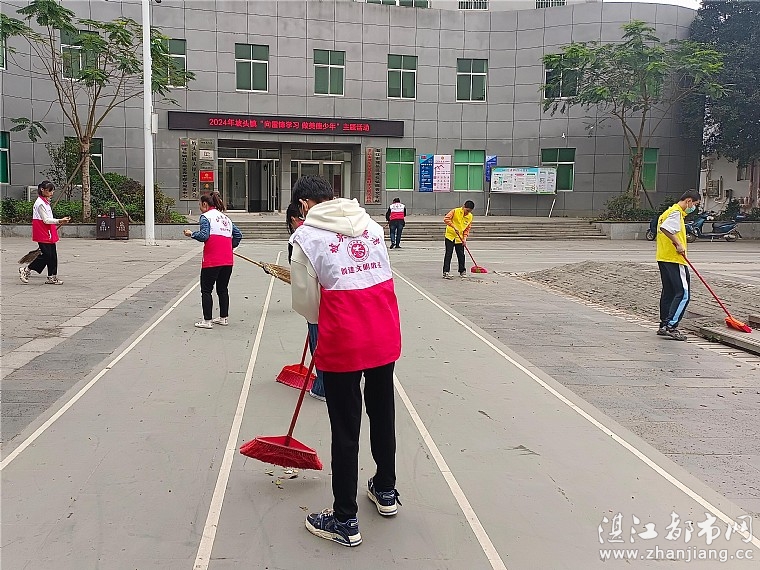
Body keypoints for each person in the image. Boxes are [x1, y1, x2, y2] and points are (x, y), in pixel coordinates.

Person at [289, 176, 402, 547]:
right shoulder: (370, 224)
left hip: (343, 338)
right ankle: (385, 489)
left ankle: (344, 519)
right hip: (383, 329)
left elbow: (307, 305)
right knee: (383, 412)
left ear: (304, 204)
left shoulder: (305, 237)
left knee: (345, 427)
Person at [183, 192, 242, 329]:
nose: (199, 208)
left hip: (212, 259)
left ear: (205, 204)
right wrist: (229, 246)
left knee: (206, 290)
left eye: (200, 204)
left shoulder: (206, 217)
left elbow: (204, 235)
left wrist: (192, 234)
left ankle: (207, 321)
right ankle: (223, 318)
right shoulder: (225, 218)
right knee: (222, 289)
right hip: (227, 260)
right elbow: (238, 235)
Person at [286, 202, 326, 402]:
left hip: (317, 300)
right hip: (342, 297)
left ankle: (322, 387)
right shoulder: (332, 227)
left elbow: (298, 271)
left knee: (319, 343)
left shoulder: (298, 238)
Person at [656, 190, 701, 341]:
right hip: (675, 259)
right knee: (683, 293)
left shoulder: (668, 212)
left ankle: (664, 324)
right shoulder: (675, 213)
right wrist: (679, 244)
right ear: (689, 201)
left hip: (664, 257)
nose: (694, 208)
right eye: (695, 204)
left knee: (669, 292)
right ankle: (671, 326)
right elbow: (666, 228)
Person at [19, 181, 71, 285]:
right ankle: (26, 270)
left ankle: (52, 276)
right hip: (42, 231)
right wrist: (60, 220)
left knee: (53, 255)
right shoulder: (40, 203)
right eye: (50, 191)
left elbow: (48, 219)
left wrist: (60, 221)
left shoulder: (46, 202)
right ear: (42, 190)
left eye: (52, 191)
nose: (52, 193)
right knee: (47, 255)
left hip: (48, 231)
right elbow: (46, 220)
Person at [442, 200, 474, 279]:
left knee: (461, 255)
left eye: (469, 211)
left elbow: (467, 229)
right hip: (450, 236)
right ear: (464, 206)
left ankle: (462, 271)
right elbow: (446, 219)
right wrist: (453, 226)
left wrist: (465, 238)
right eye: (467, 210)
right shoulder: (455, 211)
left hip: (460, 238)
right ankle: (446, 272)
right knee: (448, 254)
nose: (467, 212)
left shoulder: (470, 216)